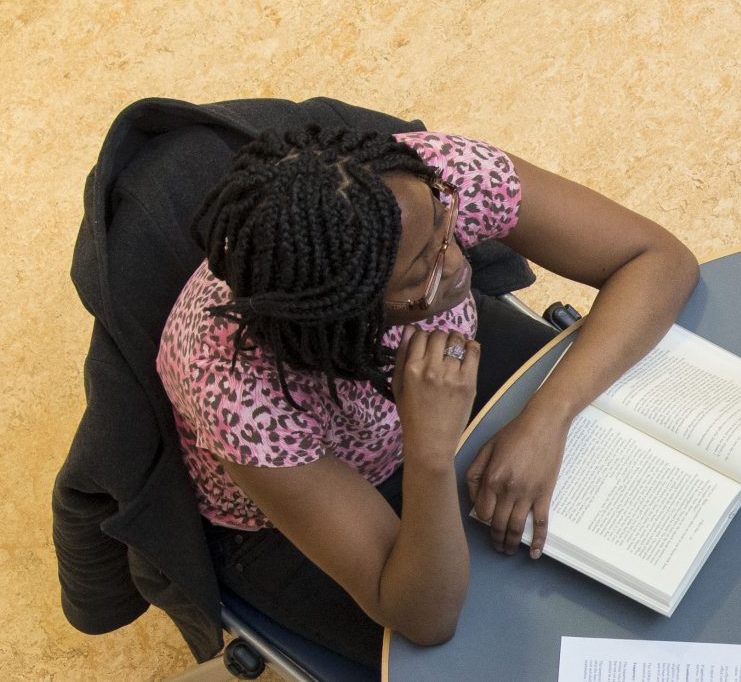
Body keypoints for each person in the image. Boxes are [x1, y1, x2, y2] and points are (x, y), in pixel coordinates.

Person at [156, 125, 698, 660]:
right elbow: (422, 617)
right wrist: (431, 452)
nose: (461, 262)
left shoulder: (430, 180)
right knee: (506, 651)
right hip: (301, 511)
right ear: (346, 309)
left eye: (446, 226)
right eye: (422, 269)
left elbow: (657, 259)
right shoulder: (237, 388)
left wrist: (546, 418)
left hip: (441, 377)